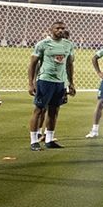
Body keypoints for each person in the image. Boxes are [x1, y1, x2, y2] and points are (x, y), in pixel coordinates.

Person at [27, 20, 76, 150]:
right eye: (58, 28)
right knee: (39, 110)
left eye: (62, 28)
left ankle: (49, 139)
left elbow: (69, 64)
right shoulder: (42, 44)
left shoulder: (69, 44)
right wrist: (31, 83)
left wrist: (71, 83)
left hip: (60, 83)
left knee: (54, 111)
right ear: (51, 30)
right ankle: (34, 141)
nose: (60, 30)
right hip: (45, 81)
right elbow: (32, 64)